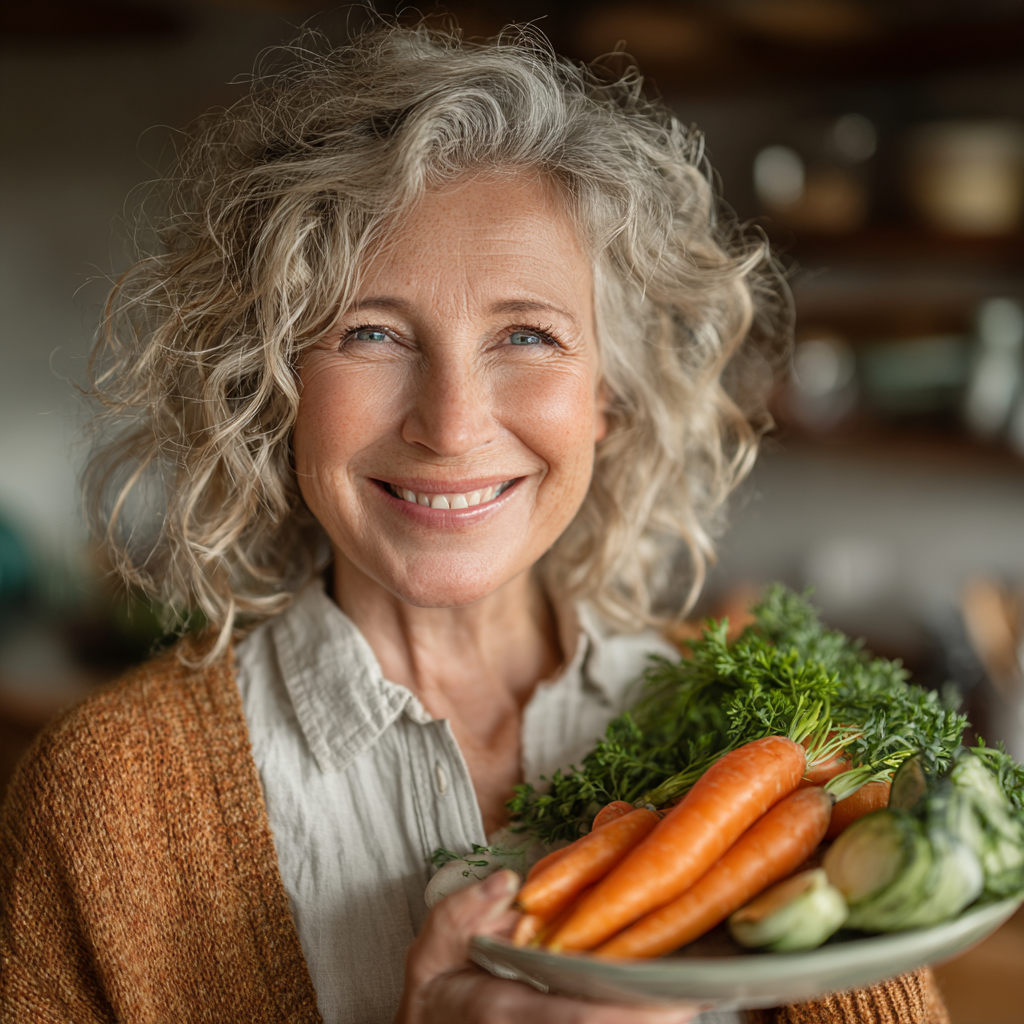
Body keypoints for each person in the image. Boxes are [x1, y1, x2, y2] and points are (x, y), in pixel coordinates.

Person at [0, 22, 948, 1024]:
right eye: (370, 332)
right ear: (271, 386)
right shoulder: (106, 798)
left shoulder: (785, 750)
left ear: (608, 396)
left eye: (527, 335)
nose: (450, 425)